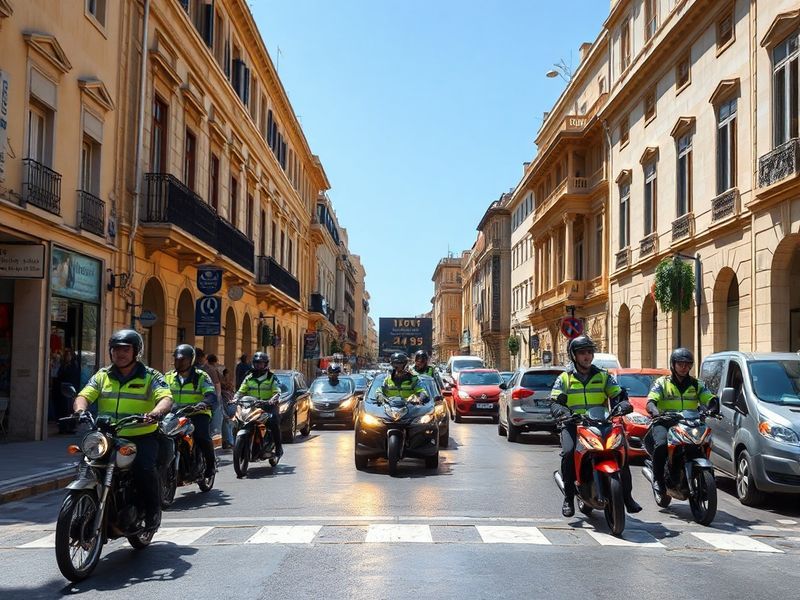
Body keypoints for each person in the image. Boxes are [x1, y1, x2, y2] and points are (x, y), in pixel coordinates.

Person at [73, 329, 173, 532]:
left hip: (141, 435)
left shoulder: (150, 376)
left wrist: (156, 412)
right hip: (107, 436)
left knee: (144, 469)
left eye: (126, 349)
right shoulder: (102, 375)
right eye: (116, 349)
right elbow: (84, 395)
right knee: (86, 464)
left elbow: (165, 398)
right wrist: (80, 410)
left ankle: (153, 511)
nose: (120, 353)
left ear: (136, 351)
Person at [550, 335, 641, 518]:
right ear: (573, 355)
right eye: (582, 352)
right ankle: (568, 498)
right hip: (574, 424)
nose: (587, 356)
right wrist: (562, 412)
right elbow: (555, 401)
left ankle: (627, 497)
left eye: (590, 352)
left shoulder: (603, 376)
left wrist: (623, 404)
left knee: (621, 451)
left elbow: (617, 395)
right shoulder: (565, 378)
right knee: (568, 453)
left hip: (601, 423)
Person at [646, 347, 719, 495]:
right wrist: (655, 411)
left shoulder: (697, 384)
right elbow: (651, 400)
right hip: (665, 421)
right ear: (673, 364)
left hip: (690, 422)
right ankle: (658, 479)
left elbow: (708, 397)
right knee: (660, 445)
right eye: (680, 364)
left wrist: (713, 406)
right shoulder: (662, 383)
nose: (684, 367)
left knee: (703, 443)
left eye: (687, 364)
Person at [164, 344, 217, 479]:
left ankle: (211, 465)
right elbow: (158, 394)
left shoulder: (201, 376)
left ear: (191, 360)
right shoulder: (168, 377)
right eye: (176, 359)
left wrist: (203, 403)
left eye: (183, 360)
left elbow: (211, 394)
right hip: (174, 414)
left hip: (197, 413)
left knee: (201, 436)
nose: (179, 362)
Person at [234, 351, 283, 457]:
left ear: (266, 364)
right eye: (256, 363)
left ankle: (278, 447)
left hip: (268, 406)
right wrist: (235, 399)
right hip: (252, 406)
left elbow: (277, 391)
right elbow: (241, 391)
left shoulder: (271, 377)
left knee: (273, 421)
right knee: (237, 421)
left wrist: (273, 399)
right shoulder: (249, 377)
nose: (258, 365)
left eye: (260, 363)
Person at [57, 348, 81, 433]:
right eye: (66, 356)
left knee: (70, 409)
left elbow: (75, 377)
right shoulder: (62, 365)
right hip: (63, 389)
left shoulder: (74, 365)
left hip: (71, 388)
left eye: (69, 355)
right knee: (63, 409)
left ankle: (71, 427)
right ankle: (63, 428)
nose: (68, 357)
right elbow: (59, 376)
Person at [220, 367, 236, 449]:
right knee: (227, 424)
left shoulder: (229, 385)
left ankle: (229, 441)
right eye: (227, 374)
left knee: (229, 424)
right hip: (226, 405)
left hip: (231, 405)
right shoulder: (223, 386)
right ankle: (229, 441)